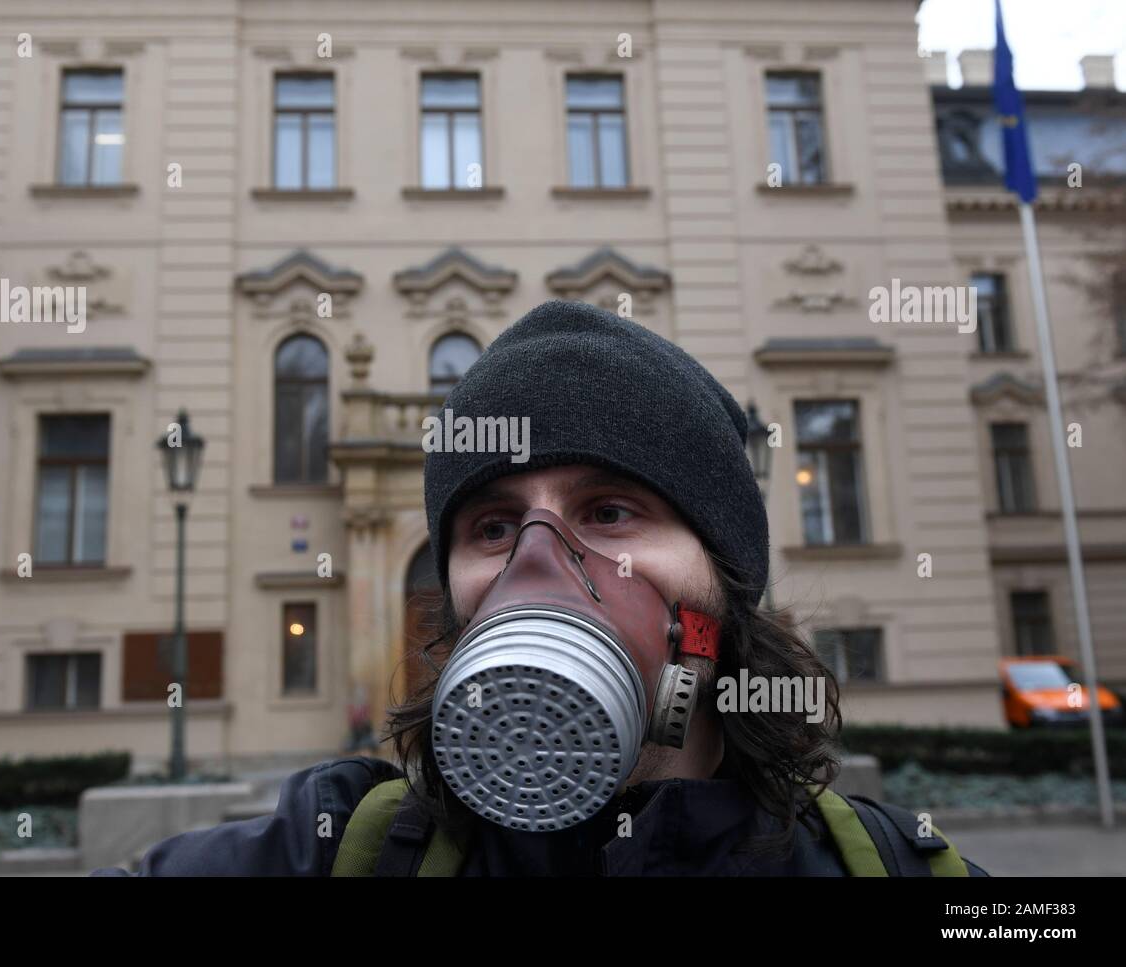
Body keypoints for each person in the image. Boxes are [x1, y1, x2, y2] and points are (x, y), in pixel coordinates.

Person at [93, 300, 987, 876]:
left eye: (608, 511)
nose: (537, 561)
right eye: (490, 526)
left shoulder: (887, 870)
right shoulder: (337, 853)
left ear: (724, 578)